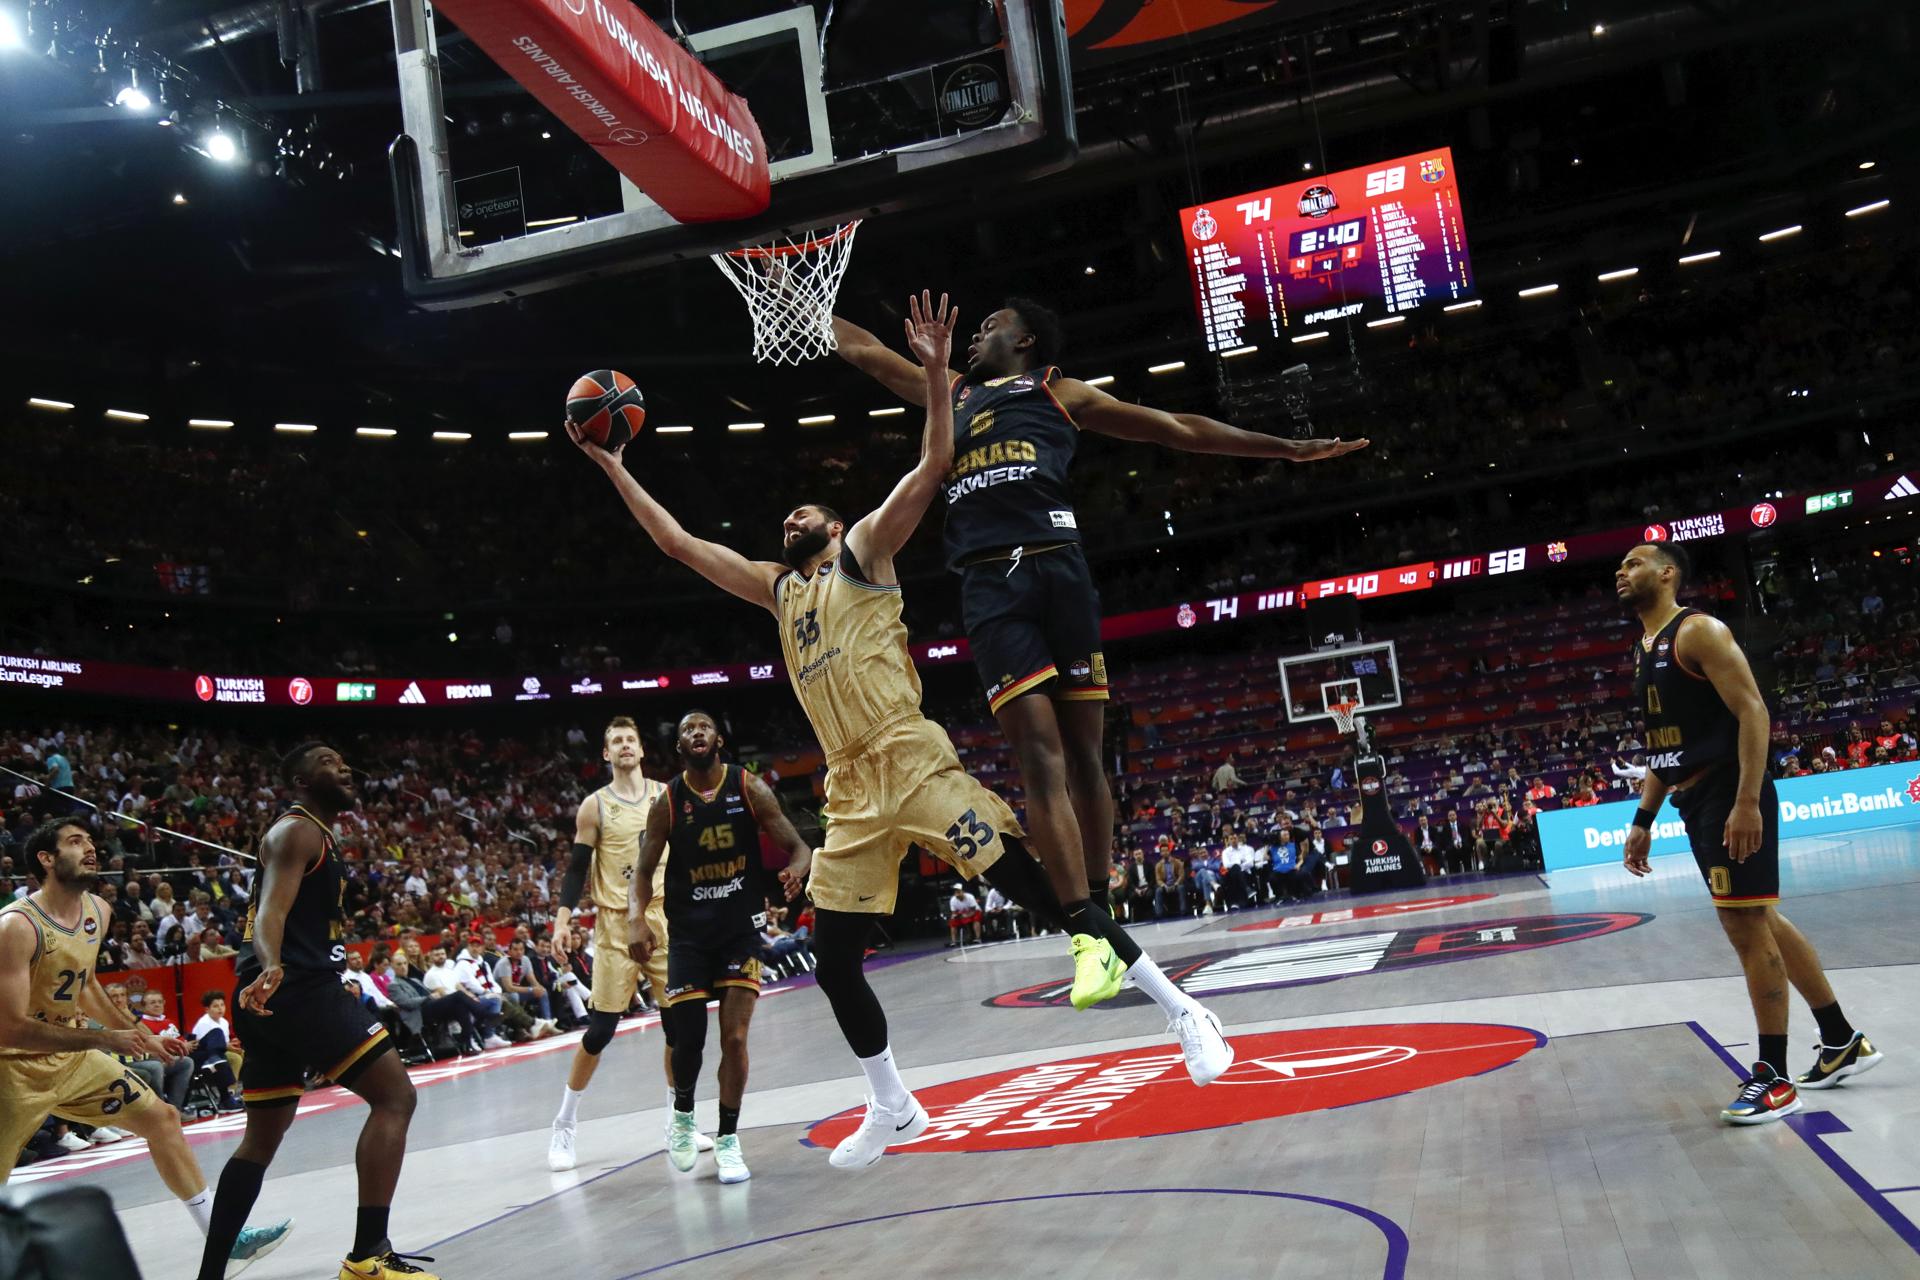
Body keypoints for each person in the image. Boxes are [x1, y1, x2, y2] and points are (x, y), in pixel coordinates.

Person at [567, 292, 1230, 1173]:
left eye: (807, 510)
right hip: (849, 790)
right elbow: (681, 545)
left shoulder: (867, 550)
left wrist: (930, 374)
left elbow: (934, 464)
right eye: (789, 517)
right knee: (838, 963)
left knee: (1043, 895)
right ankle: (895, 1104)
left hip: (911, 760)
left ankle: (1182, 1012)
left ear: (836, 526)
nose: (792, 518)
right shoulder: (776, 588)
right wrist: (613, 466)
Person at [832, 300, 1365, 1013]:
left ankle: (1104, 901)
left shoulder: (1058, 389)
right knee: (1039, 757)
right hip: (991, 584)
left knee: (1086, 756)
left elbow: (1178, 430)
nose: (977, 333)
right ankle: (1087, 933)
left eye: (990, 324)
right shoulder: (948, 389)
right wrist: (803, 300)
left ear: (1023, 340)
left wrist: (1285, 448)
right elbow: (867, 354)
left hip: (1060, 569)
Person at [1616, 544, 1881, 1124]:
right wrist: (1643, 818)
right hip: (1695, 795)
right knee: (1759, 917)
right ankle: (1839, 1040)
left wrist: (1746, 802)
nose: (1622, 571)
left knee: (1743, 923)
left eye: (1635, 563)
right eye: (1621, 565)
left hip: (1730, 790)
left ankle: (1774, 1078)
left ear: (1667, 574)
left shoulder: (1698, 631)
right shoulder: (1644, 648)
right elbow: (1666, 747)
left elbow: (1754, 713)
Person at [0, 818, 292, 1274]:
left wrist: (140, 1034)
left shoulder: (97, 909)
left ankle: (225, 1238)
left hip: (70, 1060)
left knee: (161, 1118)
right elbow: (10, 1029)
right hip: (11, 1068)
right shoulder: (16, 927)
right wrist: (106, 1037)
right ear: (46, 858)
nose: (91, 849)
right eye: (76, 843)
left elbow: (87, 984)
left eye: (91, 841)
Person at [194, 743, 436, 1280]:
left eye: (345, 760)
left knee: (260, 1139)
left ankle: (209, 1276)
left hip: (274, 992)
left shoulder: (318, 835)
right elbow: (270, 915)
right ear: (300, 781)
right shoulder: (297, 830)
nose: (344, 766)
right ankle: (369, 1254)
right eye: (327, 762)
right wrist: (273, 966)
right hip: (291, 987)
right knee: (396, 1097)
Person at [628, 711, 811, 1184]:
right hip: (689, 933)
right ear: (680, 746)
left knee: (734, 1038)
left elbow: (799, 847)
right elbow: (643, 872)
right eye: (686, 729)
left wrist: (797, 870)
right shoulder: (668, 801)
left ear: (719, 739)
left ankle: (729, 1138)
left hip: (739, 929)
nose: (695, 733)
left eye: (703, 727)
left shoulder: (748, 788)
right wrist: (635, 920)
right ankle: (684, 1116)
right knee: (688, 1040)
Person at [547, 715, 704, 1173]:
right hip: (616, 925)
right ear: (606, 754)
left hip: (664, 919)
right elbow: (577, 869)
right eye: (615, 740)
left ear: (641, 748)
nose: (624, 746)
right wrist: (562, 920)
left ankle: (680, 1121)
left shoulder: (667, 794)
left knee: (678, 1029)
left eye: (630, 739)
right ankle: (564, 1124)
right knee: (600, 1031)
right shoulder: (594, 806)